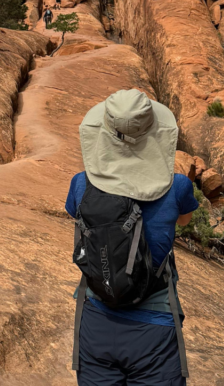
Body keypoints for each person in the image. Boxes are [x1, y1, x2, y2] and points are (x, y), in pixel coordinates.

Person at [67, 89, 197, 385]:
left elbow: (80, 221)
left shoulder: (80, 185)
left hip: (96, 320)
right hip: (155, 330)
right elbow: (184, 221)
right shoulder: (178, 187)